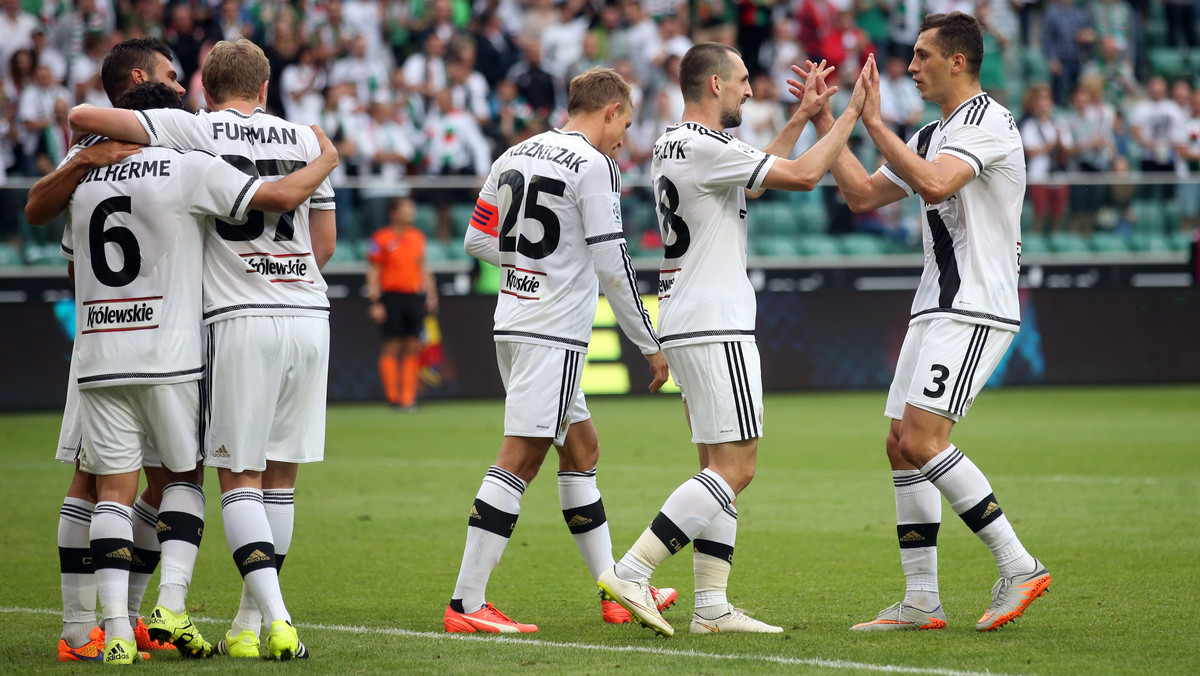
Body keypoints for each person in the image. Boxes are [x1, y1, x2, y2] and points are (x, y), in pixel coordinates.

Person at [69, 37, 338, 660]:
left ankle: (275, 620)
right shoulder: (304, 139)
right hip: (308, 310)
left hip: (235, 316)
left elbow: (84, 117)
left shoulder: (190, 128)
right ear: (267, 89)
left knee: (235, 477)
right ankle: (246, 627)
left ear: (204, 89)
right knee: (282, 480)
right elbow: (322, 244)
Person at [597, 42, 868, 637]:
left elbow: (756, 180)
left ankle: (712, 607)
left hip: (686, 314)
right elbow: (800, 175)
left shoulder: (677, 144)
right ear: (715, 85)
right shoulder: (706, 145)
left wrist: (801, 118)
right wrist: (850, 113)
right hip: (716, 318)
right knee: (736, 469)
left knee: (714, 466)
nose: (750, 90)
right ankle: (633, 570)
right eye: (743, 80)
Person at [797, 11, 1050, 633]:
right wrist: (831, 116)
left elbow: (936, 187)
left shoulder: (989, 121)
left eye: (921, 57)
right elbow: (859, 193)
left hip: (977, 304)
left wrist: (878, 123)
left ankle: (1018, 565)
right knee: (899, 445)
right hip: (935, 303)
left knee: (922, 440)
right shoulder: (937, 131)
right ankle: (921, 601)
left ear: (957, 61)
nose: (910, 67)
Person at [445, 66, 671, 634]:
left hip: (514, 322)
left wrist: (529, 266)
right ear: (610, 111)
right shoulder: (595, 166)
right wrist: (649, 343)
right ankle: (467, 605)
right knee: (519, 458)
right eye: (626, 121)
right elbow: (614, 266)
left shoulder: (514, 154)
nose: (625, 136)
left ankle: (615, 590)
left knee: (582, 450)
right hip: (553, 331)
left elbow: (476, 238)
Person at [24, 37, 193, 663]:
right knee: (108, 478)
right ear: (142, 76)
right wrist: (81, 163)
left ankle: (121, 620)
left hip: (118, 338)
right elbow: (37, 206)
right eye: (175, 77)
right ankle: (83, 628)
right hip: (134, 337)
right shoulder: (112, 145)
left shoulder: (158, 137)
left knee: (146, 478)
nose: (183, 88)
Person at [366, 196, 438, 410]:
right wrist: (375, 301)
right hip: (391, 296)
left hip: (413, 296)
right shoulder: (381, 238)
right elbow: (373, 271)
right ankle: (392, 397)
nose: (410, 213)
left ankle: (408, 398)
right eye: (406, 209)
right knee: (391, 345)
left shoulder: (418, 237)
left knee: (413, 345)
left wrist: (431, 293)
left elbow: (423, 266)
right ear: (394, 213)